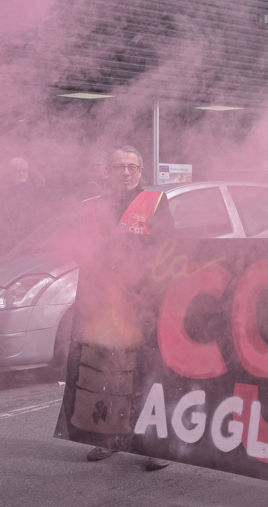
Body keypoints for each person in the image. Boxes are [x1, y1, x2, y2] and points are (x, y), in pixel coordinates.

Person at [76, 145, 173, 471]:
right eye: (119, 167)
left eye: (132, 166)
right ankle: (110, 439)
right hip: (106, 305)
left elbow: (169, 252)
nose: (126, 172)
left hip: (144, 305)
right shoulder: (93, 209)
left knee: (147, 374)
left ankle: (155, 447)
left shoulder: (156, 203)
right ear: (107, 171)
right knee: (110, 373)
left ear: (141, 171)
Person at [0, 158, 48, 255]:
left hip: (32, 235)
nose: (21, 174)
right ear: (10, 173)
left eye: (24, 171)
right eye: (17, 171)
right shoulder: (4, 191)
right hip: (10, 239)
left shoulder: (38, 190)